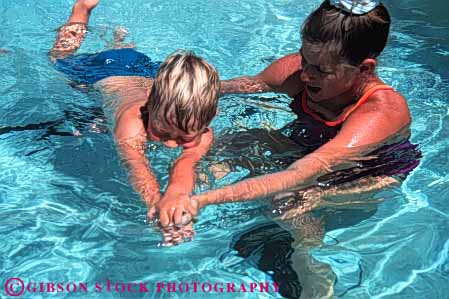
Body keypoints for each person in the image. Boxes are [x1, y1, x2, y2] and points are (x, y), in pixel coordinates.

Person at [162, 0, 421, 226]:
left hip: (365, 179)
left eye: (320, 70)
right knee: (239, 140)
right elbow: (230, 87)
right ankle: (177, 210)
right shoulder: (298, 72)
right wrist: (164, 92)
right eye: (304, 58)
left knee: (290, 200)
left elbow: (300, 174)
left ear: (364, 69)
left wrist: (202, 201)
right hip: (309, 150)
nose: (305, 74)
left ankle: (310, 268)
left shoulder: (380, 111)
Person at [49, 0, 219, 233]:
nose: (170, 144)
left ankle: (119, 41)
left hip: (147, 71)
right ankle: (82, 9)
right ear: (150, 103)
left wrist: (176, 200)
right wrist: (156, 206)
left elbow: (185, 163)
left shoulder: (203, 130)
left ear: (209, 120)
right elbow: (136, 165)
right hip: (103, 73)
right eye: (162, 132)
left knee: (124, 53)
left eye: (183, 138)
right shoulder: (132, 123)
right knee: (58, 58)